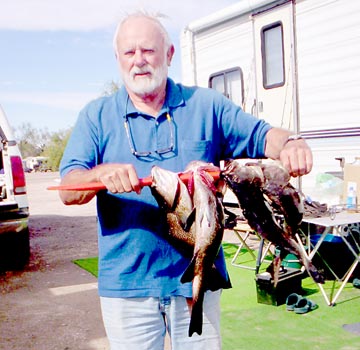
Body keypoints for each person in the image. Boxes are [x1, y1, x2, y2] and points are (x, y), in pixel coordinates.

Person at [59, 11, 313, 350]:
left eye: (148, 51)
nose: (139, 61)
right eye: (129, 53)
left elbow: (265, 136)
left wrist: (291, 143)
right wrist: (99, 175)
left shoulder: (206, 105)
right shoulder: (97, 115)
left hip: (198, 281)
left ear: (169, 54)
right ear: (118, 59)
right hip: (128, 287)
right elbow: (68, 188)